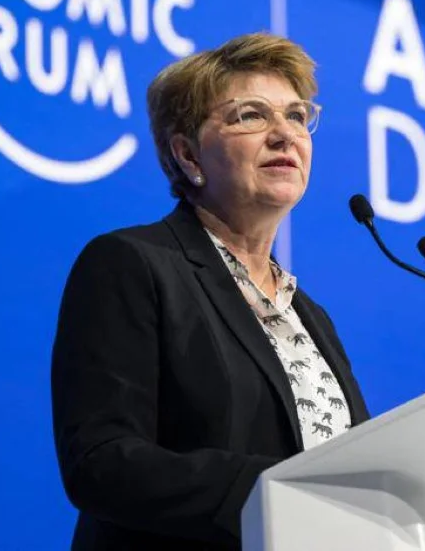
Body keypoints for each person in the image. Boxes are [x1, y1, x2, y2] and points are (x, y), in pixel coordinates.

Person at [50, 33, 369, 551]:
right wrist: (277, 493)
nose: (285, 135)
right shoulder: (134, 265)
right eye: (251, 115)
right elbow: (101, 462)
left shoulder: (309, 317)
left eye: (296, 115)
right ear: (187, 154)